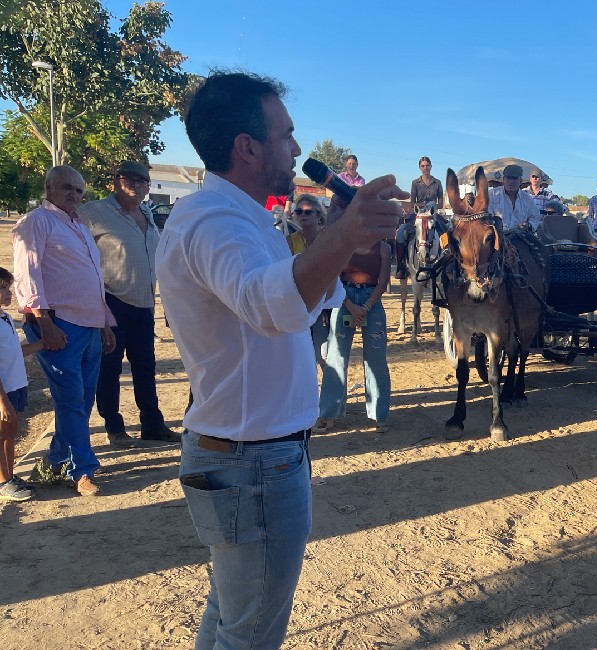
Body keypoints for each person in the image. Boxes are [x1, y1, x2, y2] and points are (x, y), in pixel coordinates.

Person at [156, 71, 406, 648]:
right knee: (249, 636)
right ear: (247, 146)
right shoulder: (215, 222)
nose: (297, 149)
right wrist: (343, 236)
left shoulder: (243, 218)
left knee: (231, 621)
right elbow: (271, 308)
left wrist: (339, 241)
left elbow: (309, 296)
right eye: (287, 135)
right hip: (253, 464)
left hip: (253, 457)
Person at [13, 166, 117, 497]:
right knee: (71, 398)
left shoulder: (78, 226)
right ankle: (82, 471)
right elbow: (27, 273)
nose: (74, 195)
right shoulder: (36, 222)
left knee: (83, 399)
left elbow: (93, 277)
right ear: (49, 187)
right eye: (67, 188)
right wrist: (43, 320)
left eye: (79, 191)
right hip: (57, 324)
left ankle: (58, 459)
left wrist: (104, 322)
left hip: (89, 324)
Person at [78, 160, 180, 448]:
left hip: (144, 304)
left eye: (142, 181)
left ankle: (152, 424)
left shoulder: (146, 214)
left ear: (148, 186)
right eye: (129, 179)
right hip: (111, 303)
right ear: (115, 181)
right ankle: (114, 427)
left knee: (145, 366)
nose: (135, 185)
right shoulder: (94, 213)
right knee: (109, 368)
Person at [0, 267, 43, 502]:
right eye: (2, 289)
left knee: (10, 433)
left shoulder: (6, 318)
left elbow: (16, 351)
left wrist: (44, 343)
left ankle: (10, 475)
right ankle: (3, 482)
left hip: (16, 386)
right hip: (3, 392)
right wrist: (3, 401)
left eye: (8, 287)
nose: (8, 293)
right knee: (1, 433)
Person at [286, 194, 342, 369]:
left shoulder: (328, 239)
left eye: (308, 212)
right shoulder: (289, 241)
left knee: (325, 357)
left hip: (326, 305)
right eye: (299, 211)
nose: (303, 215)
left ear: (318, 215)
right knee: (301, 357)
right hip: (299, 305)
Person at [397, 156, 444, 279]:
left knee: (448, 232)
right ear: (419, 167)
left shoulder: (437, 182)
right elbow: (412, 203)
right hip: (418, 214)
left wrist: (432, 205)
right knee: (402, 232)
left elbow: (441, 203)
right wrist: (423, 205)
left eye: (427, 165)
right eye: (422, 166)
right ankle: (401, 265)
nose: (425, 168)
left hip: (433, 214)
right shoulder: (415, 183)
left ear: (431, 166)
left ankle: (450, 265)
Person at [488, 164, 539, 230]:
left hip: (521, 236)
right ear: (503, 180)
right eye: (508, 178)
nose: (511, 182)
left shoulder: (527, 199)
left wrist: (529, 225)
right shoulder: (492, 195)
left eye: (514, 178)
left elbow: (535, 218)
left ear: (520, 181)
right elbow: (486, 217)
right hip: (497, 236)